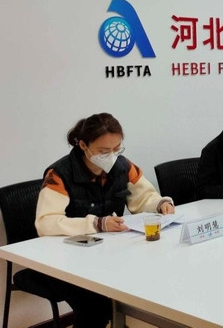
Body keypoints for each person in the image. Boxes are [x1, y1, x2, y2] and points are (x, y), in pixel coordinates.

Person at [36, 113, 175, 327]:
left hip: (106, 254)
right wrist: (96, 223)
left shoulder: (123, 166)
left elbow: (143, 197)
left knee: (150, 281)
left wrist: (160, 203)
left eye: (117, 149)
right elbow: (46, 222)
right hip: (65, 261)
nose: (111, 156)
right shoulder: (59, 174)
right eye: (103, 151)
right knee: (95, 307)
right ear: (83, 145)